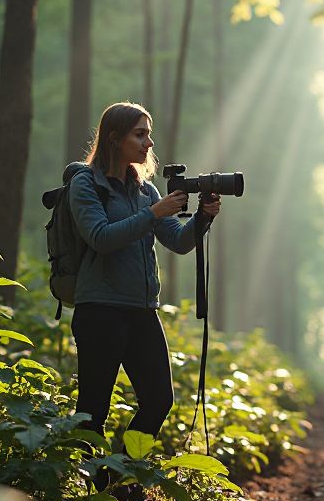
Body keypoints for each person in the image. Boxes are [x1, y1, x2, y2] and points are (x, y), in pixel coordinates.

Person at [68, 101, 220, 457]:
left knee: (158, 400)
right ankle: (85, 495)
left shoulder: (147, 191)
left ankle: (121, 475)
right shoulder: (86, 184)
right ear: (114, 138)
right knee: (92, 411)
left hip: (141, 310)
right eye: (140, 134)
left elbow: (179, 242)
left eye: (148, 134)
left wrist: (202, 219)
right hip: (99, 310)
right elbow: (100, 238)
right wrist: (154, 214)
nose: (148, 143)